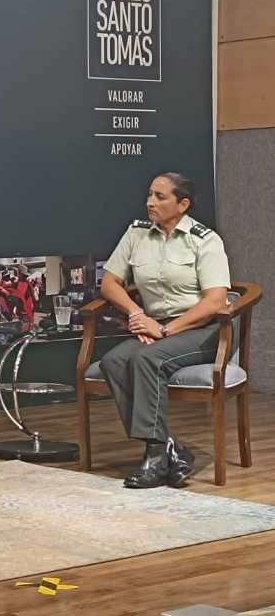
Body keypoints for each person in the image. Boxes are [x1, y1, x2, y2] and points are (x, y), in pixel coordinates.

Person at [99, 172, 231, 489]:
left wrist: (164, 329)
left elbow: (215, 302)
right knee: (113, 362)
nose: (150, 202)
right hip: (156, 327)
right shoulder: (137, 234)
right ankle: (172, 448)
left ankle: (156, 458)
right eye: (150, 194)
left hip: (202, 330)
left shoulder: (205, 240)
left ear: (183, 204)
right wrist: (136, 313)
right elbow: (109, 283)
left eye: (160, 197)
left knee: (147, 359)